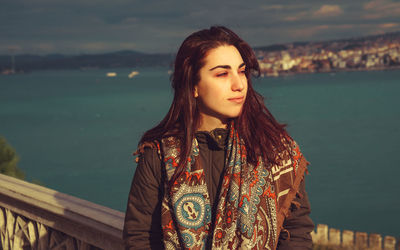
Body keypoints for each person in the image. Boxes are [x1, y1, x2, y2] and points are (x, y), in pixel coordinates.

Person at [123, 26, 314, 249]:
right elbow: (140, 238)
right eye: (222, 74)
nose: (239, 84)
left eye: (242, 71)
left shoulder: (275, 149)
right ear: (193, 86)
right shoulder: (159, 155)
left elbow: (297, 233)